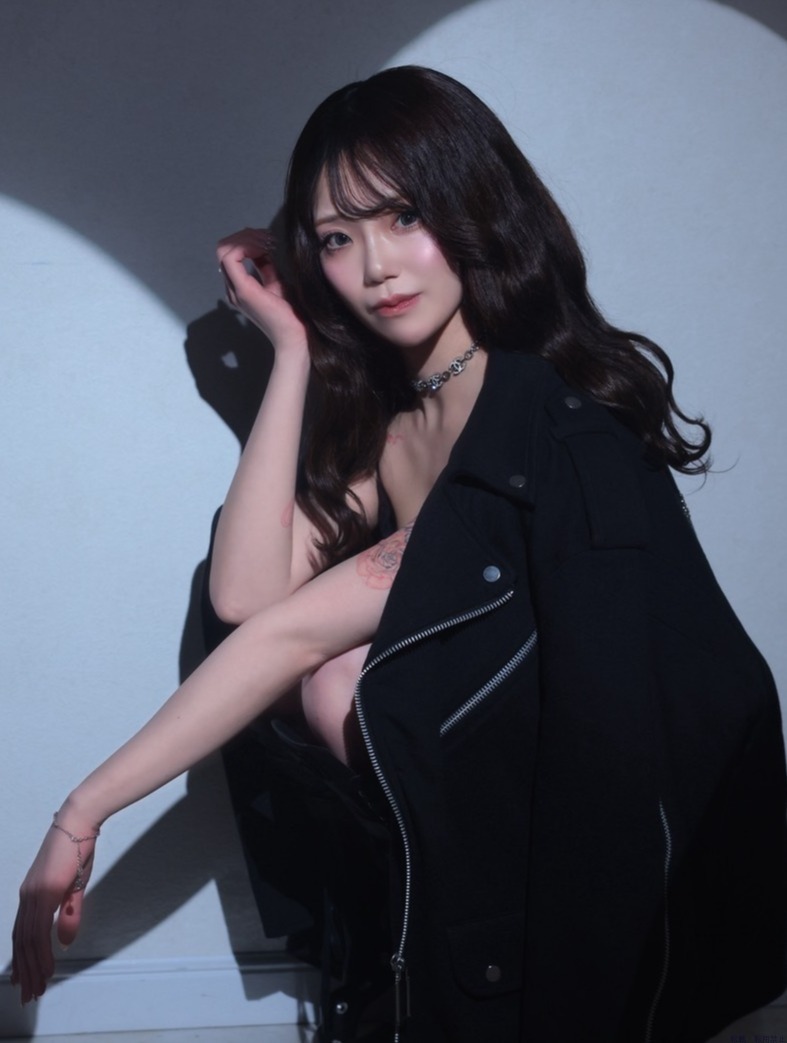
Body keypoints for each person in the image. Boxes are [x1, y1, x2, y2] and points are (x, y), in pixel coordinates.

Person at [11, 66, 787, 1042]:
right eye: (338, 238)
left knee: (342, 676)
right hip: (496, 879)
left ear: (472, 207)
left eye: (403, 216)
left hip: (628, 891)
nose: (376, 266)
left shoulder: (539, 428)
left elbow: (295, 640)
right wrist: (291, 349)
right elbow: (247, 597)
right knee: (329, 672)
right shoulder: (397, 424)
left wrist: (82, 812)